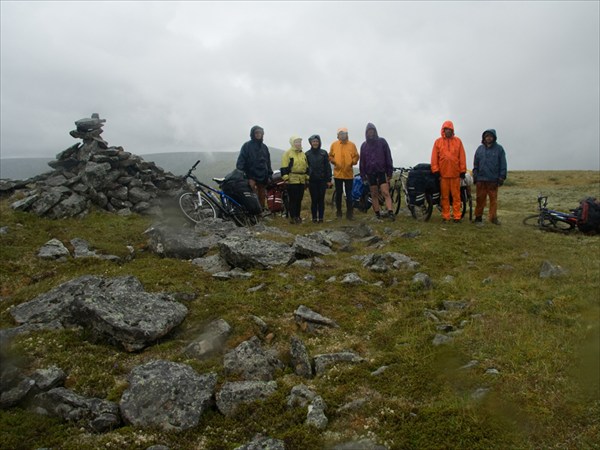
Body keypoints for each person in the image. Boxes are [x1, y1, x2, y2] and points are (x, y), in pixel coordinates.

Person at [430, 120, 467, 223]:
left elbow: (462, 156)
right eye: (446, 129)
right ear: (443, 130)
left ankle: (457, 216)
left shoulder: (458, 141)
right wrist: (435, 170)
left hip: (455, 175)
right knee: (445, 197)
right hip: (443, 175)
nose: (448, 131)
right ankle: (446, 216)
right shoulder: (438, 142)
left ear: (452, 130)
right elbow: (434, 158)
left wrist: (463, 170)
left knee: (456, 197)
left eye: (450, 129)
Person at [359, 123, 395, 221]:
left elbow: (388, 157)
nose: (370, 133)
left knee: (385, 192)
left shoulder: (382, 142)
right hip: (370, 173)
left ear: (375, 131)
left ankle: (390, 212)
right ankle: (377, 213)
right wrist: (363, 176)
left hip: (381, 171)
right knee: (374, 193)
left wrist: (389, 172)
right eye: (369, 131)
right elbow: (362, 162)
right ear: (366, 133)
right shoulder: (364, 146)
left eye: (372, 131)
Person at [472, 129, 507, 225]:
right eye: (487, 136)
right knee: (480, 200)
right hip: (481, 180)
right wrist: (475, 175)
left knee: (493, 201)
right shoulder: (479, 149)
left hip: (493, 180)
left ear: (494, 137)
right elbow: (476, 164)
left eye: (490, 136)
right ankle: (478, 217)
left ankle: (493, 218)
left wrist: (502, 177)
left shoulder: (499, 149)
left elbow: (503, 164)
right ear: (484, 137)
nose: (488, 138)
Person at [236, 125, 273, 210]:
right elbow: (241, 162)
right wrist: (245, 176)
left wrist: (269, 175)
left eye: (260, 133)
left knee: (262, 196)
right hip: (250, 177)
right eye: (256, 133)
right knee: (252, 196)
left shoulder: (264, 147)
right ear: (252, 134)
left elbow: (268, 162)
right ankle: (252, 213)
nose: (258, 134)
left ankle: (261, 213)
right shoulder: (247, 146)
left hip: (263, 177)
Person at [329, 127, 359, 220]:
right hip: (338, 174)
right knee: (338, 193)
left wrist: (352, 162)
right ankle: (339, 213)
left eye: (344, 134)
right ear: (338, 135)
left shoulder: (352, 145)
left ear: (347, 135)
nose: (343, 135)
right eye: (341, 134)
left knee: (349, 194)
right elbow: (330, 156)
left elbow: (356, 156)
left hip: (348, 174)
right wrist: (334, 162)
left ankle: (350, 214)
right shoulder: (334, 144)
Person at [281, 135, 309, 224]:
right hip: (292, 179)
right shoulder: (288, 153)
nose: (298, 144)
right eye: (296, 142)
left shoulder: (303, 153)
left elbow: (306, 166)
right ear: (292, 143)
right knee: (293, 199)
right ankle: (292, 217)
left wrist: (307, 177)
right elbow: (284, 166)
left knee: (299, 199)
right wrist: (286, 177)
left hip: (301, 179)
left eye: (299, 142)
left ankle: (298, 216)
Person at [306, 134, 333, 223]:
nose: (315, 143)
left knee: (321, 199)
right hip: (312, 180)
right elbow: (306, 168)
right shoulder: (307, 154)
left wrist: (329, 180)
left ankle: (321, 218)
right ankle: (314, 218)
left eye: (317, 141)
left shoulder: (324, 153)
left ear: (319, 142)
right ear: (311, 143)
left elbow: (327, 167)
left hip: (322, 180)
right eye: (313, 141)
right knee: (314, 200)